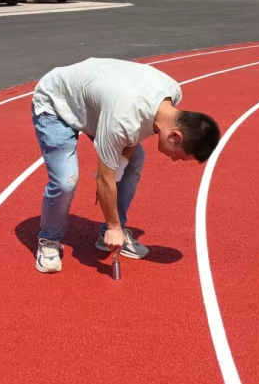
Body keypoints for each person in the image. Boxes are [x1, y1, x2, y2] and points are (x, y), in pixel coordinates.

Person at [30, 57, 221, 274]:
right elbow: (104, 179)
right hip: (56, 101)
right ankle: (49, 239)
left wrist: (118, 167)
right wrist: (113, 222)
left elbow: (133, 137)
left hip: (96, 105)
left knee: (134, 158)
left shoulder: (171, 94)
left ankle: (108, 235)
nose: (175, 160)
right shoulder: (122, 120)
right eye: (179, 156)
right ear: (175, 136)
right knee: (66, 181)